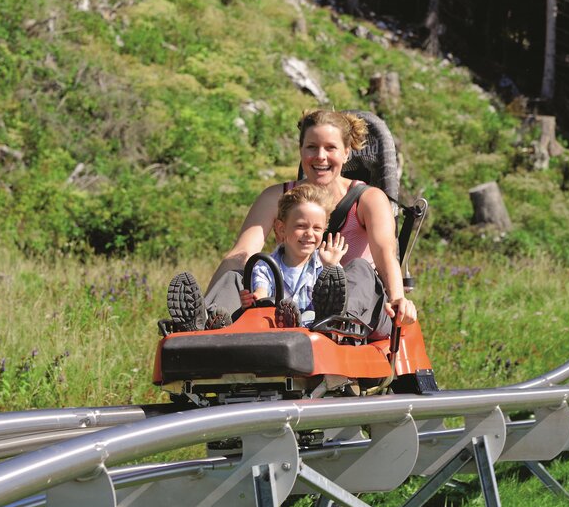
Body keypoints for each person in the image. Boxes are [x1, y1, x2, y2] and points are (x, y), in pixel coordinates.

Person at [167, 108, 417, 338]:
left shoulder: (368, 198)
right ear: (301, 151)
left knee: (360, 270)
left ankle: (331, 321)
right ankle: (203, 323)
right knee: (237, 275)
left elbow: (386, 254)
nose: (320, 157)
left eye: (330, 148)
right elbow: (241, 253)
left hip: (362, 309)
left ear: (346, 153)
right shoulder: (276, 197)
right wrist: (216, 293)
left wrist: (398, 298)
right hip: (289, 305)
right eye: (312, 147)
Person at [238, 183, 349, 327]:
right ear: (281, 229)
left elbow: (338, 299)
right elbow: (261, 291)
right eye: (301, 226)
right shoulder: (265, 266)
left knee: (312, 313)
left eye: (317, 228)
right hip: (276, 332)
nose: (309, 233)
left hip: (316, 334)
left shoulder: (324, 263)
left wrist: (331, 267)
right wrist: (254, 298)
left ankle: (305, 322)